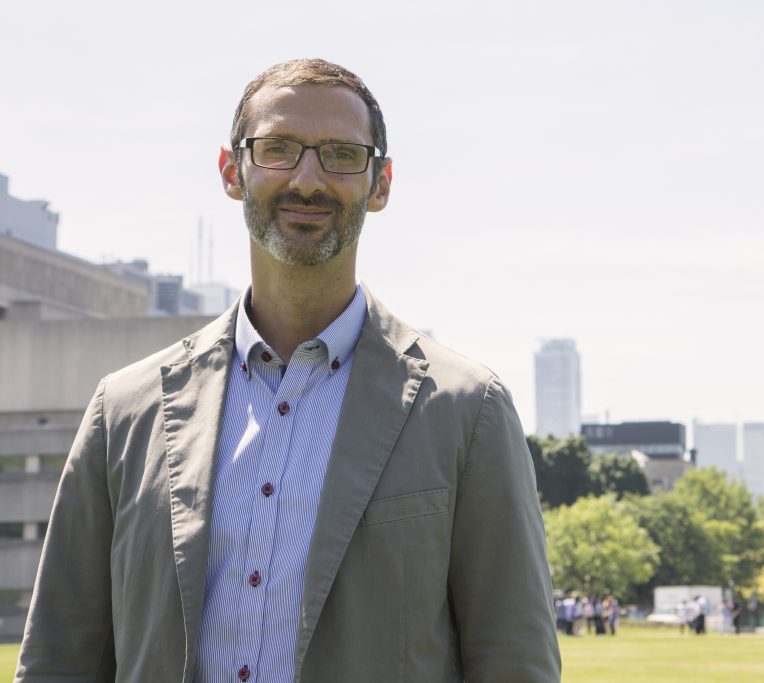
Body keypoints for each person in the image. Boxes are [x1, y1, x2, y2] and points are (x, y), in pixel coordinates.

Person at [15, 58, 561, 682]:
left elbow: (516, 664)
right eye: (277, 149)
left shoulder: (469, 411)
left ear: (381, 183)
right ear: (232, 171)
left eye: (341, 154)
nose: (308, 178)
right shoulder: (124, 411)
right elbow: (59, 658)